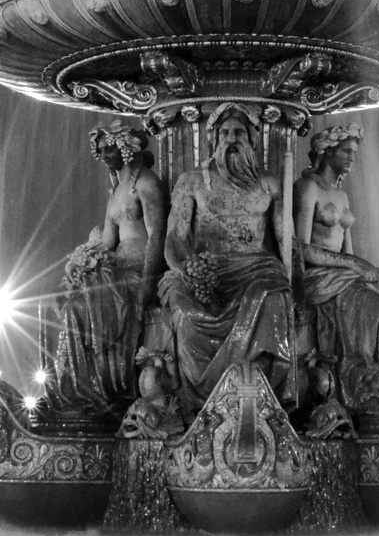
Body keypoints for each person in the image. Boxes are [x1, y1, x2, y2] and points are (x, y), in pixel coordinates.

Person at [159, 104, 296, 415]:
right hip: (203, 270)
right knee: (189, 315)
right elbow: (174, 238)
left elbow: (288, 242)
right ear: (213, 139)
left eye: (239, 132)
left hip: (256, 269)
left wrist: (296, 277)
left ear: (251, 139)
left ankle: (260, 401)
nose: (231, 139)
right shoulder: (191, 182)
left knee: (273, 298)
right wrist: (187, 270)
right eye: (224, 132)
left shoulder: (270, 183)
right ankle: (204, 408)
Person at [293, 124, 379, 412]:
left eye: (354, 152)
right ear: (326, 152)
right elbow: (300, 248)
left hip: (343, 275)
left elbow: (349, 253)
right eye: (346, 151)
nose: (352, 157)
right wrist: (354, 265)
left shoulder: (342, 196)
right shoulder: (308, 187)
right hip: (317, 276)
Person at [46, 121, 168, 416]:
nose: (103, 155)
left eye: (109, 148)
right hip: (115, 272)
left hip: (137, 273)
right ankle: (76, 385)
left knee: (79, 309)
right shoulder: (116, 192)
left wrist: (148, 287)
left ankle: (101, 388)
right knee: (67, 302)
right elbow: (108, 243)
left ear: (126, 148)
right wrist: (81, 266)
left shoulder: (146, 184)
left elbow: (157, 237)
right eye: (100, 150)